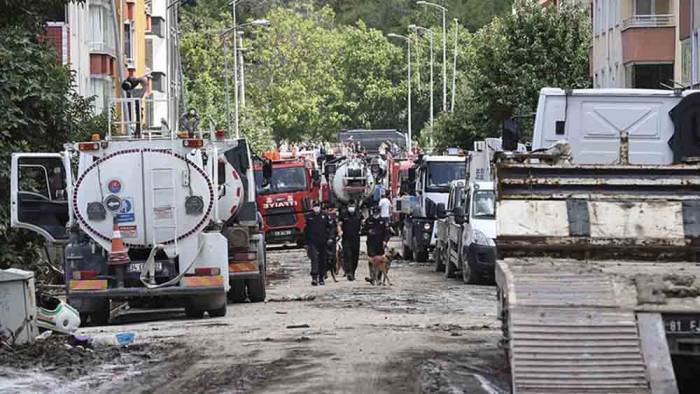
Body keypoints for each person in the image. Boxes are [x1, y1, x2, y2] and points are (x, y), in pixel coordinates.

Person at [304, 201, 331, 286]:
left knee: (322, 259)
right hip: (312, 242)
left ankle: (321, 277)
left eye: (317, 206)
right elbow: (306, 230)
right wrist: (305, 243)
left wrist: (330, 238)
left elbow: (330, 228)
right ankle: (314, 277)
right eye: (315, 206)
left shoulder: (325, 216)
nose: (316, 208)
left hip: (323, 241)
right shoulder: (309, 217)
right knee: (314, 258)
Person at [363, 207, 391, 283]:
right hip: (371, 243)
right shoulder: (369, 220)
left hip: (380, 243)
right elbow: (363, 230)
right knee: (372, 260)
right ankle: (372, 277)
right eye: (374, 212)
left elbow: (387, 232)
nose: (376, 214)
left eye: (377, 212)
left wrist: (385, 241)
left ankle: (378, 278)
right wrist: (368, 231)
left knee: (380, 261)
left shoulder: (383, 221)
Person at [339, 203, 362, 281]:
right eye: (350, 206)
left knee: (355, 256)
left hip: (356, 238)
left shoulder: (358, 214)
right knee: (347, 255)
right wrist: (340, 231)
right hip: (346, 238)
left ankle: (353, 272)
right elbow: (339, 224)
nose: (351, 208)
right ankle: (348, 272)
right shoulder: (344, 215)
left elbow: (363, 223)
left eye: (352, 206)